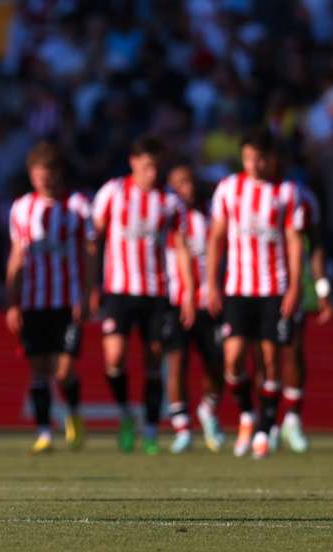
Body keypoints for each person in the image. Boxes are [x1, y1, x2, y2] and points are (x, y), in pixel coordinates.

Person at [91, 136, 195, 455]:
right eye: (147, 165)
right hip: (118, 290)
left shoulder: (169, 201)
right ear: (133, 162)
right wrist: (91, 285)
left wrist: (189, 292)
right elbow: (93, 240)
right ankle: (125, 414)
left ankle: (150, 427)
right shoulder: (112, 193)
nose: (153, 172)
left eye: (156, 166)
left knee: (153, 361)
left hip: (155, 293)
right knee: (114, 357)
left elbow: (181, 248)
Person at [206, 129, 303, 459]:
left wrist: (294, 286)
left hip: (274, 288)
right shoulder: (229, 189)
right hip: (238, 288)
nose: (255, 164)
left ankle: (264, 428)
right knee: (232, 358)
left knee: (271, 360)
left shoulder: (286, 192)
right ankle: (247, 414)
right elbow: (217, 237)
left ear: (271, 158)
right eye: (249, 158)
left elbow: (293, 240)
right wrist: (211, 282)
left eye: (260, 158)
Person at [5, 141, 93, 454]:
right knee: (38, 369)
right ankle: (44, 432)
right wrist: (12, 302)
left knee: (64, 370)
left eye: (50, 174)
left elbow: (90, 252)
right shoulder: (21, 208)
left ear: (59, 174)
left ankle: (73, 414)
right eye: (39, 175)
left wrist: (89, 292)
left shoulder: (79, 206)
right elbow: (16, 257)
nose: (45, 180)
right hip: (32, 301)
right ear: (32, 176)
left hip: (67, 300)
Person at [162, 163, 225, 454]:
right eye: (178, 183)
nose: (185, 189)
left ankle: (208, 411)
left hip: (209, 300)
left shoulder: (212, 215)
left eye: (188, 182)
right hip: (175, 300)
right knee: (177, 361)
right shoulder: (162, 217)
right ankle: (182, 428)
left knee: (218, 363)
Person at [275, 181, 331, 452]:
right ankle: (268, 421)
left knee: (293, 350)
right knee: (265, 353)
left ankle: (293, 418)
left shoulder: (303, 196)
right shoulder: (239, 191)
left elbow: (316, 242)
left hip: (294, 285)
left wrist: (322, 288)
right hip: (255, 286)